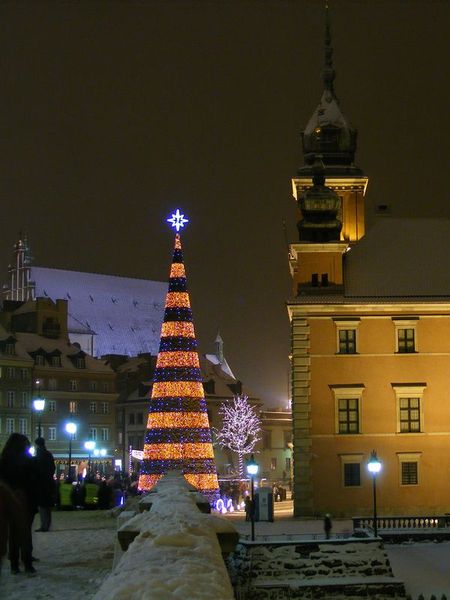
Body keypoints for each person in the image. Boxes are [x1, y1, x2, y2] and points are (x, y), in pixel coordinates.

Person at [0, 433, 38, 574]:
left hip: (10, 499)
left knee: (13, 533)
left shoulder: (4, 460)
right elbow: (34, 481)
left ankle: (14, 565)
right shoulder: (28, 461)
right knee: (25, 532)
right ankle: (27, 563)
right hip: (26, 499)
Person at [34, 437, 56, 532]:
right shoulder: (48, 454)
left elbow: (37, 468)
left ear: (37, 445)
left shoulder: (39, 454)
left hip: (41, 483)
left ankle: (44, 525)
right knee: (47, 506)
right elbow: (53, 468)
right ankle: (47, 524)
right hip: (49, 482)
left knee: (42, 506)